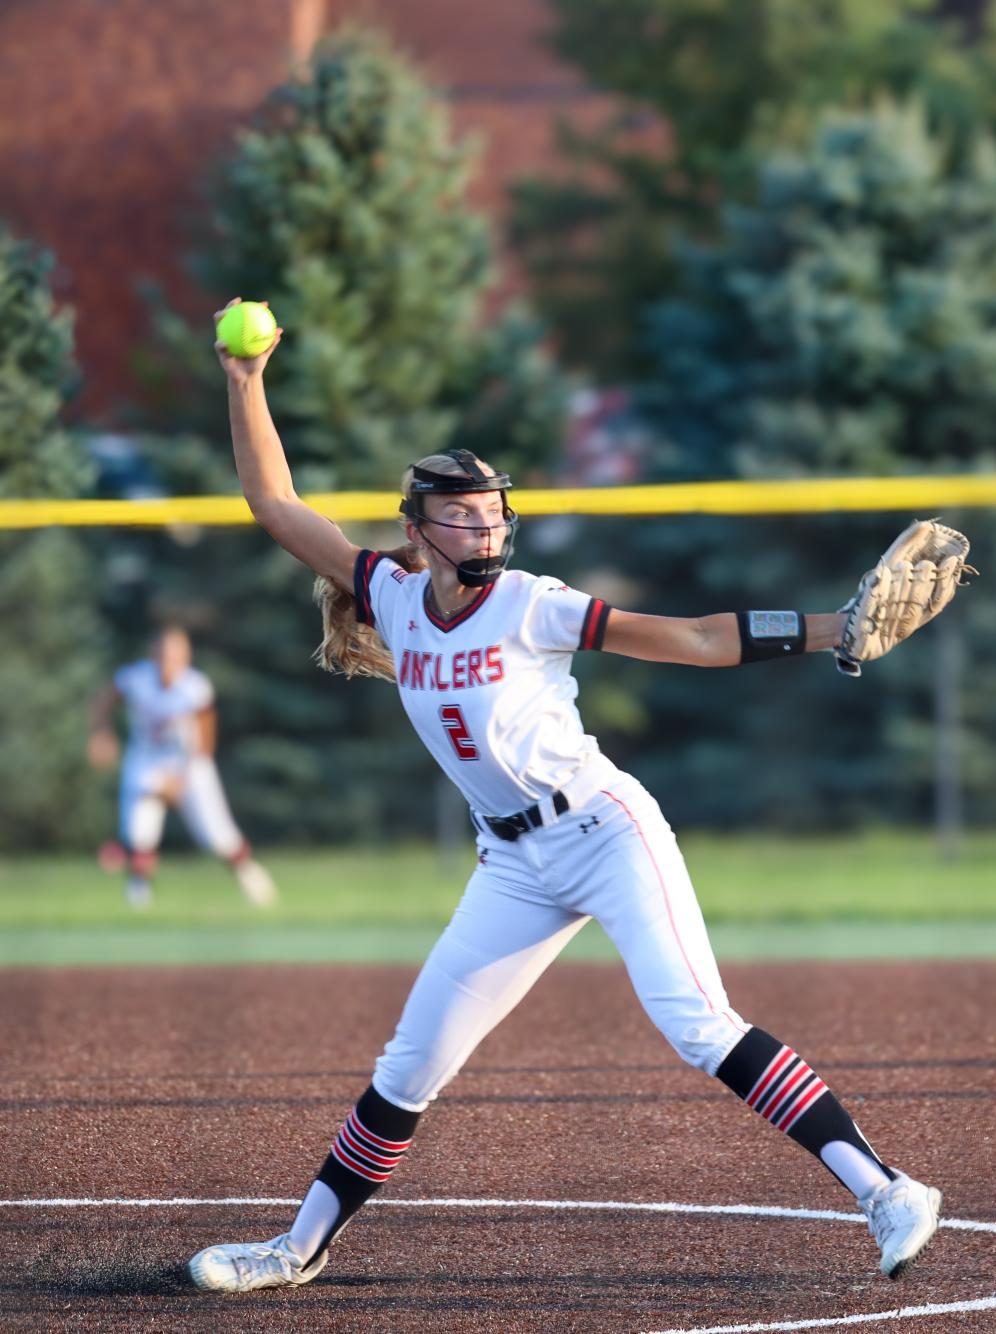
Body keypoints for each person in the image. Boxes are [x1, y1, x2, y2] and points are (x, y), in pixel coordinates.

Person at [187, 299, 945, 1295]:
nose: (485, 521)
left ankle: (888, 1188)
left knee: (695, 1020)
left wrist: (823, 629)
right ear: (416, 531)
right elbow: (276, 506)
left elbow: (691, 636)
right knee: (410, 1065)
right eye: (461, 511)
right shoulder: (391, 595)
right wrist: (245, 382)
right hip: (512, 862)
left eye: (494, 507)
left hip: (604, 829)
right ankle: (297, 1247)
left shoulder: (528, 601)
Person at [88, 625, 277, 910]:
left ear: (186, 657)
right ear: (154, 653)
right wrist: (100, 733)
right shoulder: (137, 678)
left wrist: (180, 779)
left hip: (190, 763)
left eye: (176, 655)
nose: (169, 661)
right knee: (139, 832)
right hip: (147, 759)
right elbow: (104, 700)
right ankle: (138, 899)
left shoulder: (195, 687)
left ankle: (252, 880)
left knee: (216, 835)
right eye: (164, 654)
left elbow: (205, 741)